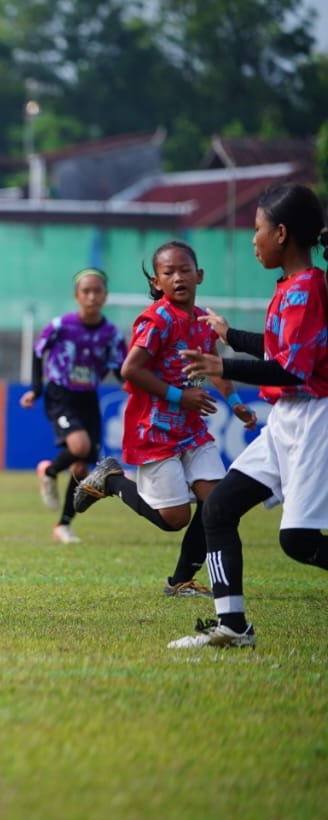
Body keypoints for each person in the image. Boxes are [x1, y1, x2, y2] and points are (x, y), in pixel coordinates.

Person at [168, 183, 328, 648]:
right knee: (218, 508)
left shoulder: (307, 290)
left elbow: (291, 369)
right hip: (286, 420)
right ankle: (232, 626)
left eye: (257, 229)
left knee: (297, 542)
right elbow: (284, 349)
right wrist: (230, 335)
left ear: (281, 233)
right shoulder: (295, 287)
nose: (252, 238)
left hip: (314, 418)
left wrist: (220, 364)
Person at [71, 241, 256, 596]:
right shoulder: (156, 320)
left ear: (199, 275)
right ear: (157, 283)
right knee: (175, 520)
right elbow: (130, 370)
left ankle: (181, 581)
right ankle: (111, 480)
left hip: (191, 430)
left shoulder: (202, 321)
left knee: (216, 504)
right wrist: (180, 396)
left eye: (185, 270)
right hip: (153, 429)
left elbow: (212, 364)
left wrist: (234, 401)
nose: (178, 278)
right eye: (168, 273)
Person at [19, 268, 125, 544]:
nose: (92, 296)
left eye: (97, 291)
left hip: (88, 398)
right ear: (76, 296)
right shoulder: (61, 326)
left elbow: (122, 370)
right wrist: (36, 388)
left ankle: (63, 525)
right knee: (80, 447)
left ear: (105, 295)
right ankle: (50, 471)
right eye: (86, 291)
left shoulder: (112, 334)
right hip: (60, 394)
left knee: (81, 469)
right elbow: (37, 350)